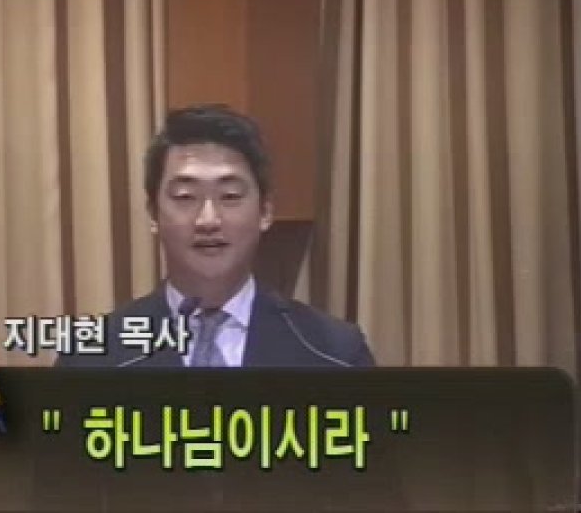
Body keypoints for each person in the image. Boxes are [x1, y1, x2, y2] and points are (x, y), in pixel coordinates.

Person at [57, 104, 374, 368]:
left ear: (265, 211)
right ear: (153, 214)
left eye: (230, 196)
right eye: (185, 197)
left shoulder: (335, 353)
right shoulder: (89, 359)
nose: (208, 220)